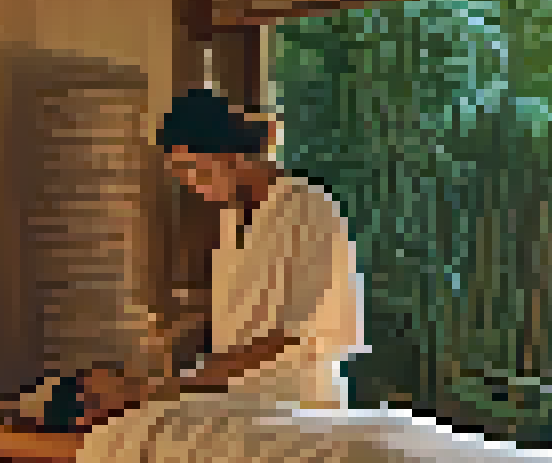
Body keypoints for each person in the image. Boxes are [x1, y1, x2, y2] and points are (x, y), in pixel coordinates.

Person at [94, 86, 365, 418]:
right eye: (182, 174)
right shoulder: (232, 218)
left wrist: (178, 386)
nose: (193, 184)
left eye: (200, 171)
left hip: (298, 406)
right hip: (238, 404)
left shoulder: (309, 210)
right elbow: (247, 311)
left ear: (234, 154)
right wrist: (176, 330)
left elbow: (292, 334)